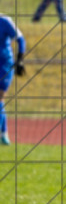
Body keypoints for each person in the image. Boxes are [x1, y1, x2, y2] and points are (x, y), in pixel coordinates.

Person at [0, 12, 27, 145]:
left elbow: (20, 39)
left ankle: (3, 134)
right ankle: (4, 134)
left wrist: (20, 60)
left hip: (4, 65)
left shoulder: (4, 21)